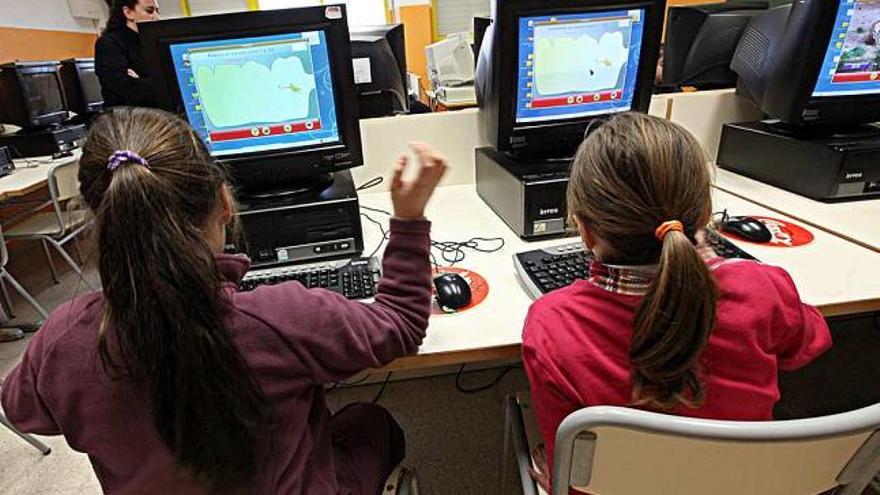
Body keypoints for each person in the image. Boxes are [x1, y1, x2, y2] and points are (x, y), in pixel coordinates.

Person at [1, 107, 447, 495]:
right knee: (370, 422)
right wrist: (408, 221)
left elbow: (22, 408)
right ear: (224, 203)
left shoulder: (62, 338)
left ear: (103, 217)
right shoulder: (278, 319)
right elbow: (402, 326)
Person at [522, 113, 831, 491]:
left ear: (584, 231)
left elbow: (569, 470)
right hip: (742, 484)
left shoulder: (552, 325)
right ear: (703, 217)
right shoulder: (761, 288)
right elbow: (807, 344)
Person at [94, 0, 160, 108]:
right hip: (128, 118)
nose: (156, 17)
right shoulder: (108, 43)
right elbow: (125, 87)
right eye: (150, 11)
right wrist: (155, 84)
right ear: (128, 12)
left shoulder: (151, 42)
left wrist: (140, 81)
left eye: (157, 11)